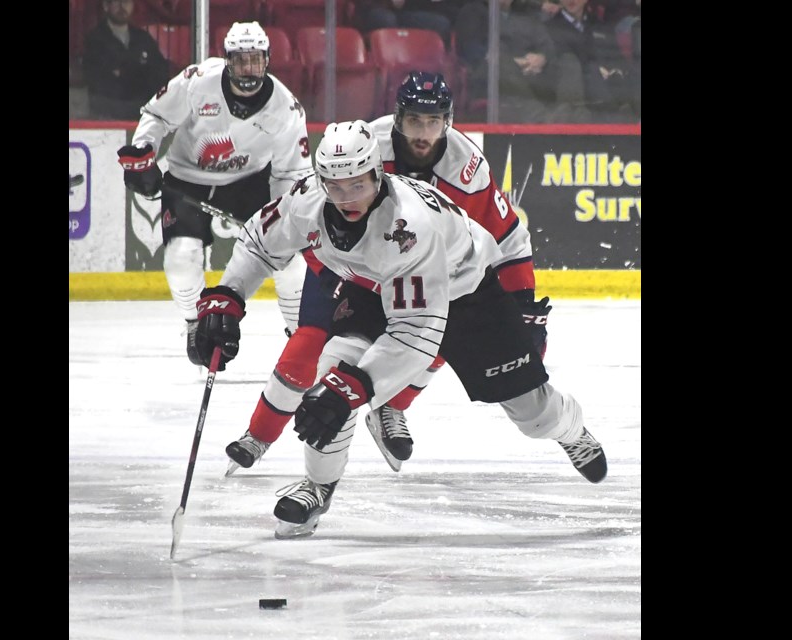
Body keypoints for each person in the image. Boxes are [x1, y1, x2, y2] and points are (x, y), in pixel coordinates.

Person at [193, 120, 607, 538]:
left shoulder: (407, 227)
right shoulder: (307, 199)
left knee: (533, 415)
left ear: (377, 174)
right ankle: (318, 486)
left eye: (356, 184)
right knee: (333, 370)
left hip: (467, 291)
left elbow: (417, 334)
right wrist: (228, 295)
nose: (345, 198)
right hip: (375, 287)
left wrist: (357, 387)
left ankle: (571, 429)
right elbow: (257, 242)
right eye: (334, 186)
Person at [222, 72, 548, 476]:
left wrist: (521, 301)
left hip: (413, 267)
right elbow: (311, 207)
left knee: (433, 333)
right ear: (397, 118)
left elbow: (508, 236)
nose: (424, 133)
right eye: (414, 120)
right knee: (309, 345)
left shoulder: (467, 166)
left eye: (434, 122)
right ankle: (259, 435)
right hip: (348, 268)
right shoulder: (364, 143)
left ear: (448, 121)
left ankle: (392, 406)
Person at [117, 21, 312, 363]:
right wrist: (144, 150)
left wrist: (285, 222)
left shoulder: (286, 108)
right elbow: (156, 114)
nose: (248, 68)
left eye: (255, 60)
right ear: (226, 60)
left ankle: (304, 335)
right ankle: (196, 324)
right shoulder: (198, 81)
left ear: (267, 60)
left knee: (291, 262)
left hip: (248, 182)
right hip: (186, 178)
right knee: (180, 257)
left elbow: (290, 174)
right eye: (240, 60)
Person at [455, 0, 563, 122]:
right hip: (489, 77)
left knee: (568, 62)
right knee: (500, 63)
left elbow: (547, 47)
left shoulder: (526, 15)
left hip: (531, 73)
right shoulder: (473, 11)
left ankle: (572, 112)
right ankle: (540, 117)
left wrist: (542, 58)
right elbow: (472, 52)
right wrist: (515, 62)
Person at [83, 0, 171, 120]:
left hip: (143, 111)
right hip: (108, 114)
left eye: (127, 2)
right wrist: (137, 72)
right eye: (116, 2)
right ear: (106, 5)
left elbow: (159, 74)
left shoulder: (143, 38)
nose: (122, 6)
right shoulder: (95, 40)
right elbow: (99, 81)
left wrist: (123, 72)